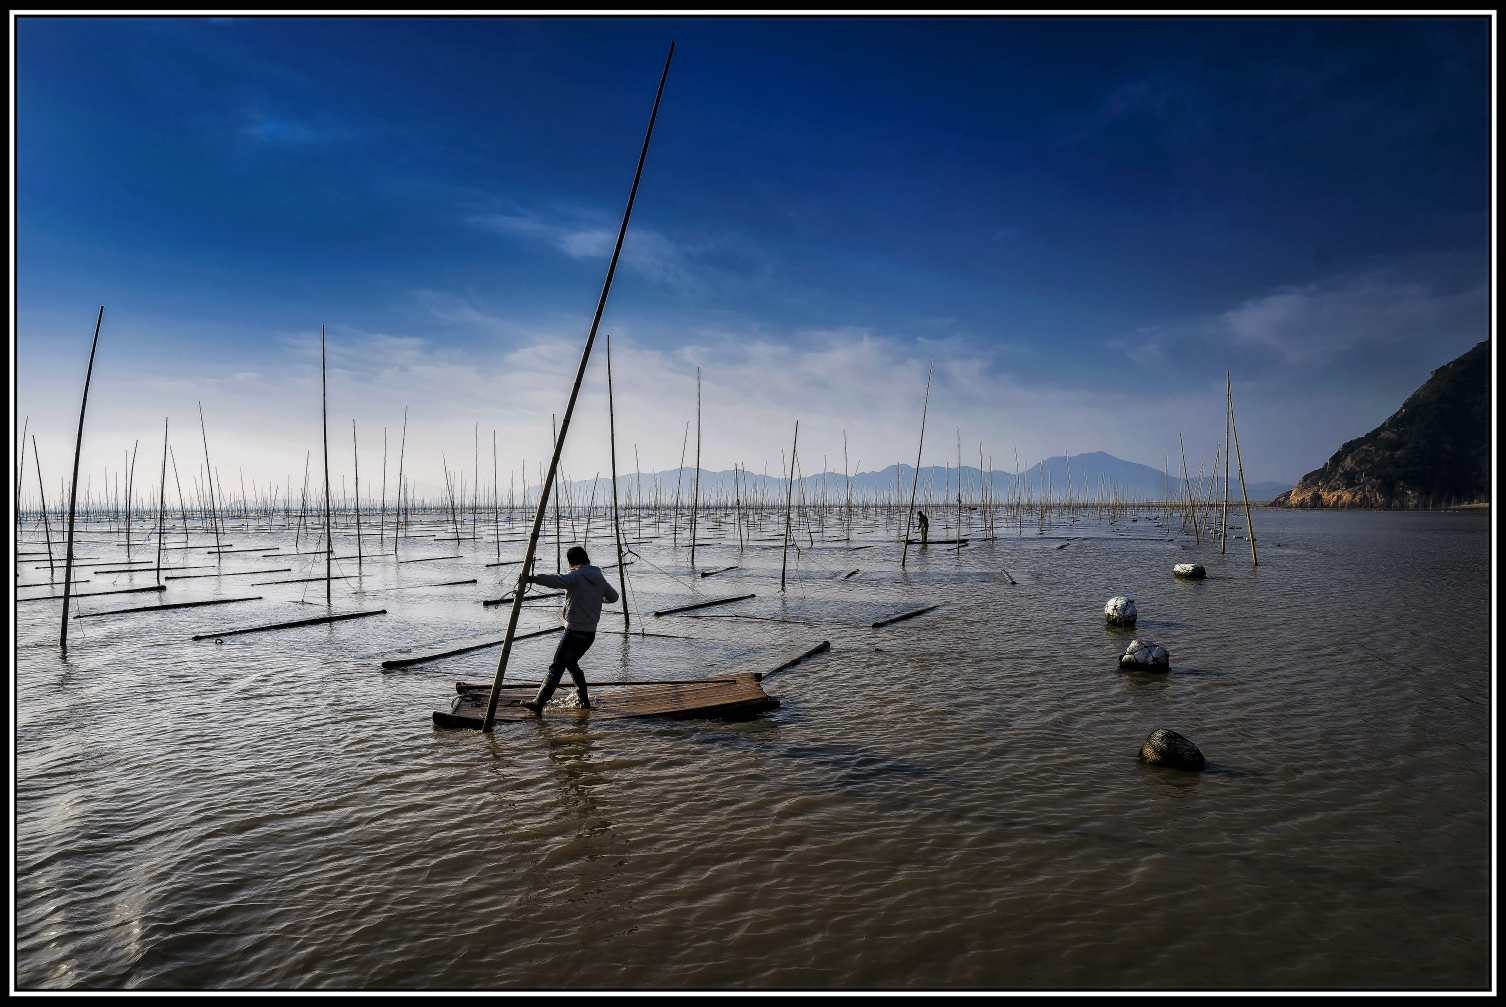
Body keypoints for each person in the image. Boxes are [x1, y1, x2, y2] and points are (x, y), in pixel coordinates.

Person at [521, 545, 619, 715]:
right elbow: (614, 597)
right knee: (571, 663)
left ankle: (538, 703)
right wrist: (596, 599)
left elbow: (555, 580)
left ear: (571, 562)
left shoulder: (575, 576)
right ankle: (584, 699)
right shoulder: (599, 577)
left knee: (557, 665)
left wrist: (531, 579)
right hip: (589, 635)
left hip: (573, 632)